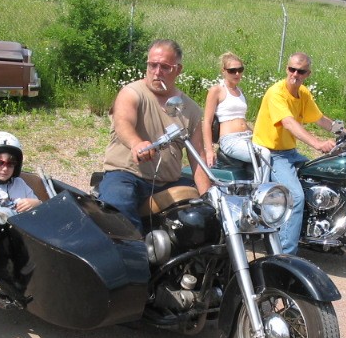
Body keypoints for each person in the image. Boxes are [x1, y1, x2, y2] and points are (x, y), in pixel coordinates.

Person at [98, 39, 212, 233]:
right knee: (117, 209)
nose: (157, 72)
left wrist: (210, 199)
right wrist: (136, 143)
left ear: (178, 70)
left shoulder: (190, 109)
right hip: (127, 175)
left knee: (201, 219)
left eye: (165, 67)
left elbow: (198, 155)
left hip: (169, 181)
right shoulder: (132, 93)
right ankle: (135, 260)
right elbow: (123, 122)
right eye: (153, 65)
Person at [252, 52, 343, 255]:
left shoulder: (303, 93)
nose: (295, 74)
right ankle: (284, 255)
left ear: (307, 74)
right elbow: (288, 122)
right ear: (286, 69)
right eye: (292, 69)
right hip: (270, 154)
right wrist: (316, 143)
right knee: (295, 197)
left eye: (300, 71)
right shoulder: (277, 93)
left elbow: (320, 119)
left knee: (320, 180)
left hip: (289, 152)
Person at [202, 52, 270, 179]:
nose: (237, 74)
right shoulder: (217, 90)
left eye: (240, 70)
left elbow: (242, 119)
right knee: (264, 154)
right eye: (232, 71)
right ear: (224, 71)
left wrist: (257, 135)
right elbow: (206, 121)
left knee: (273, 150)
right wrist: (209, 150)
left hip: (247, 137)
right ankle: (262, 192)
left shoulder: (240, 91)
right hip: (230, 139)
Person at [0, 131, 42, 223]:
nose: (5, 168)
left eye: (11, 164)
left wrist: (37, 203)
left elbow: (38, 204)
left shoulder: (19, 182)